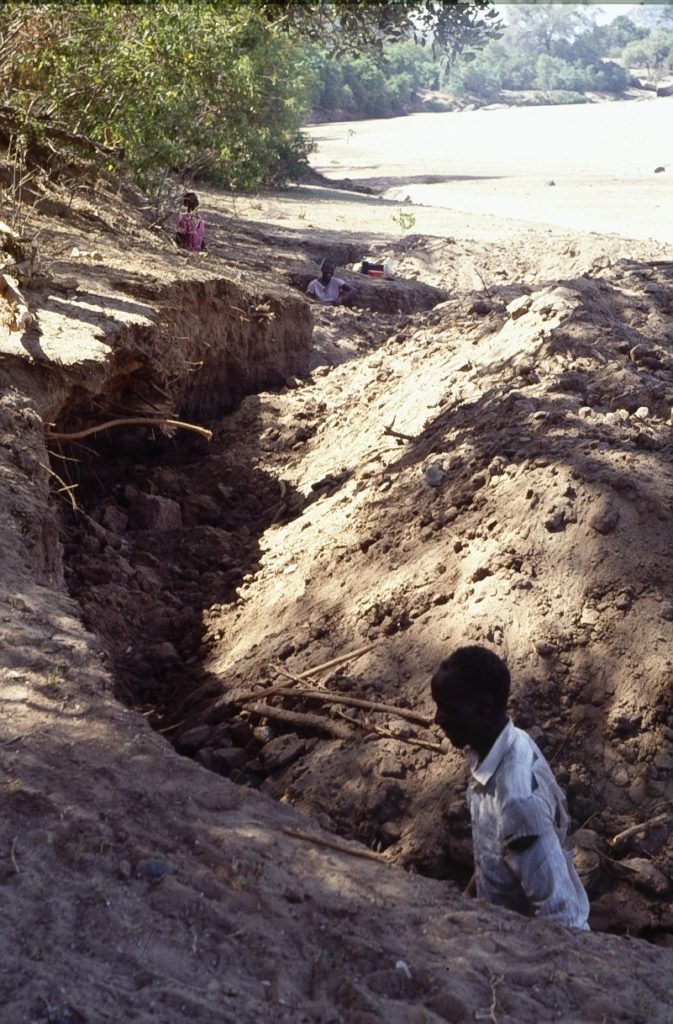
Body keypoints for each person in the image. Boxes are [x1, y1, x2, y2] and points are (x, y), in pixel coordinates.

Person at [431, 645, 590, 930]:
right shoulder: (502, 743)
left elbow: (565, 919)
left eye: (448, 709)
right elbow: (499, 852)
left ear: (483, 709)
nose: (437, 718)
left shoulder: (517, 802)